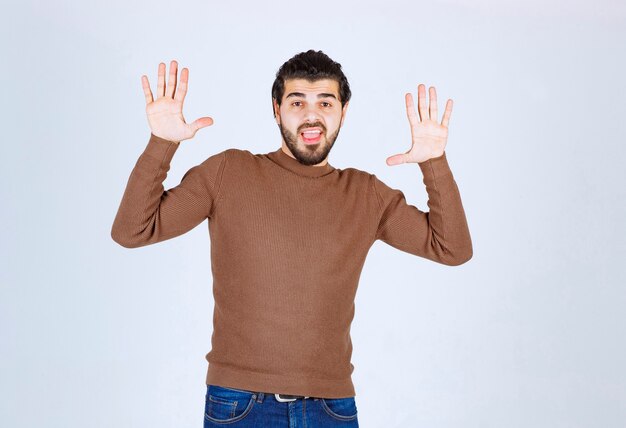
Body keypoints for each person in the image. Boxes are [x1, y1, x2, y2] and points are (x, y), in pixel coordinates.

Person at [111, 49, 473, 427]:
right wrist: (161, 143)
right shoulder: (228, 172)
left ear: (343, 113)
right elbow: (132, 230)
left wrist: (434, 161)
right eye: (297, 101)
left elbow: (453, 248)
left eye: (325, 102)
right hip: (239, 406)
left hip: (331, 408)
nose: (311, 115)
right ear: (276, 108)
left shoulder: (365, 194)